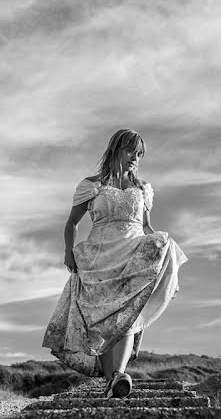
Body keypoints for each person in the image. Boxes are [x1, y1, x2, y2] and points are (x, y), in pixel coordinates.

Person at [42, 129, 188, 398]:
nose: (136, 158)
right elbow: (71, 223)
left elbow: (145, 227)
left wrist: (163, 257)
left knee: (126, 316)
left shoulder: (142, 188)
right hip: (99, 256)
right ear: (117, 149)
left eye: (140, 154)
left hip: (132, 255)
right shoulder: (91, 185)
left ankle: (119, 376)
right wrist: (67, 252)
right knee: (102, 321)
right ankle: (114, 381)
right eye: (131, 151)